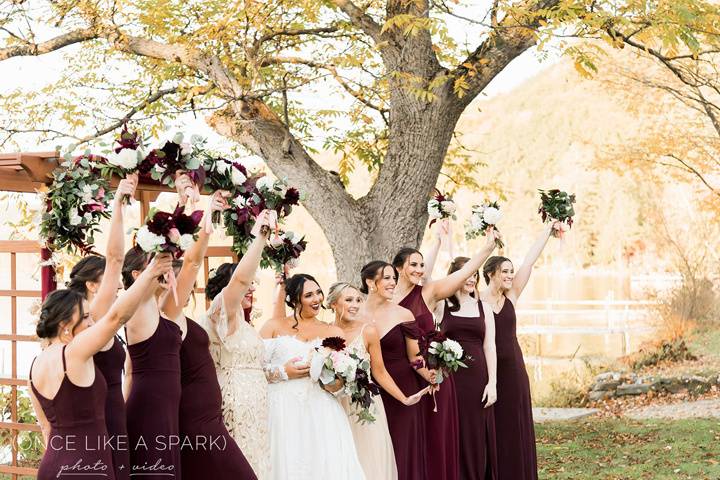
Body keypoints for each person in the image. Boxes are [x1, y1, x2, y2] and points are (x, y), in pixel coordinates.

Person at [28, 255, 172, 480]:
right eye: (85, 317)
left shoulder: (34, 367)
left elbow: (46, 430)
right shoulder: (74, 352)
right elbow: (116, 317)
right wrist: (150, 273)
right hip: (87, 467)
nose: (91, 322)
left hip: (52, 467)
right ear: (65, 326)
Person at [158, 187, 257, 479]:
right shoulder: (167, 313)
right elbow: (191, 263)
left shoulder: (180, 316)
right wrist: (206, 222)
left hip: (208, 418)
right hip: (198, 422)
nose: (181, 280)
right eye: (172, 275)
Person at [392, 229, 500, 480]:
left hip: (429, 372)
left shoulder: (428, 294)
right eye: (413, 265)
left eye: (422, 264)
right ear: (398, 269)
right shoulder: (387, 298)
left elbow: (463, 273)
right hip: (398, 373)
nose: (420, 269)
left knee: (434, 435)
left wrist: (487, 248)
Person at [66, 174, 137, 480]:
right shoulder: (93, 315)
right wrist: (119, 204)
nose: (117, 287)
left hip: (110, 408)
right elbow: (116, 257)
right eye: (111, 283)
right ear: (94, 285)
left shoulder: (81, 319)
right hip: (104, 411)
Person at [260, 273, 365, 480]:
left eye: (318, 292)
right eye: (309, 295)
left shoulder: (333, 331)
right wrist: (283, 372)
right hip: (283, 409)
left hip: (321, 409)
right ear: (293, 299)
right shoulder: (272, 326)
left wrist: (335, 383)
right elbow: (252, 369)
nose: (317, 299)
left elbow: (341, 381)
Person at [480, 222, 560, 480]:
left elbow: (529, 262)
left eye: (511, 272)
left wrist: (547, 231)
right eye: (505, 271)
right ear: (491, 273)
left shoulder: (512, 296)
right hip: (489, 372)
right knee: (494, 425)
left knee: (515, 424)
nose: (510, 276)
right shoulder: (477, 301)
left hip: (514, 371)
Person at [202, 210, 276, 479]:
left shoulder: (245, 325)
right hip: (235, 404)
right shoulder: (222, 313)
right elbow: (241, 280)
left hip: (256, 404)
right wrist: (261, 238)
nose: (251, 289)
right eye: (248, 286)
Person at [328, 282, 427, 480]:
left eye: (358, 300)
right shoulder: (324, 333)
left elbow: (379, 372)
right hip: (334, 405)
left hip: (364, 405)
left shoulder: (368, 331)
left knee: (370, 457)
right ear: (333, 304)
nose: (355, 305)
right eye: (348, 300)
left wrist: (404, 398)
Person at [361, 261, 436, 480]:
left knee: (402, 446)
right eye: (386, 277)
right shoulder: (355, 312)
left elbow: (415, 357)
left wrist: (429, 375)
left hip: (403, 387)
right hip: (369, 390)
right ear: (369, 282)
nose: (393, 282)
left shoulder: (403, 314)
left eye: (394, 277)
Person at [437, 257, 498, 480]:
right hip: (451, 378)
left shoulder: (484, 307)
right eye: (467, 274)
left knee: (476, 431)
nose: (472, 278)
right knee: (453, 429)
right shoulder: (441, 305)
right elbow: (425, 284)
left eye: (474, 274)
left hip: (478, 378)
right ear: (455, 276)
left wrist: (493, 383)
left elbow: (489, 345)